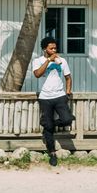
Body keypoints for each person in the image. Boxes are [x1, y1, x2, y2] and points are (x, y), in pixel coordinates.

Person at [32, 36, 74, 167]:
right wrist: (48, 61)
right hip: (45, 97)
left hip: (60, 96)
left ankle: (48, 123)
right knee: (49, 129)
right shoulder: (38, 61)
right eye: (51, 48)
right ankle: (52, 154)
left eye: (55, 48)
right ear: (45, 49)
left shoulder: (62, 61)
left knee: (67, 119)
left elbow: (68, 77)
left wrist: (67, 92)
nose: (54, 50)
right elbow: (37, 74)